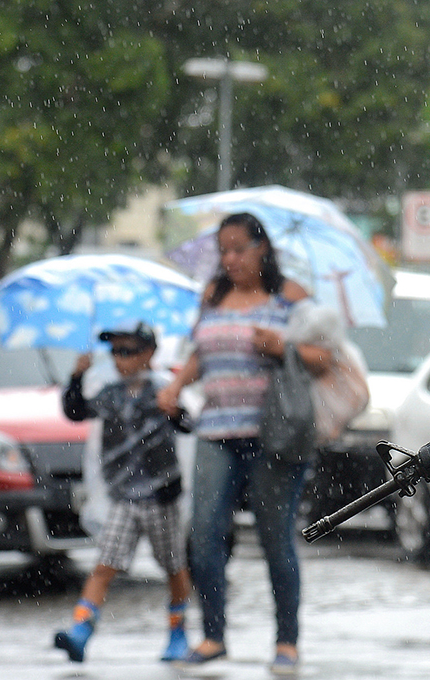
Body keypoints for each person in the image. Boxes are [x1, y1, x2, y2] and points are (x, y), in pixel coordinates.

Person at [156, 212, 331, 674]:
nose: (230, 259)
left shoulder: (289, 297)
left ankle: (286, 642)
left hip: (273, 437)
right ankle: (214, 635)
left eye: (239, 249)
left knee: (277, 540)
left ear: (262, 249)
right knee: (204, 537)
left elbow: (326, 356)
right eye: (224, 250)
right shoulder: (213, 295)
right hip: (216, 432)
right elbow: (200, 353)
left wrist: (282, 347)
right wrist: (176, 388)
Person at [53, 320, 194, 664]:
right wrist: (76, 377)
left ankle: (178, 630)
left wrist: (173, 409)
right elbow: (75, 412)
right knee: (105, 564)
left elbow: (188, 423)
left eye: (127, 351)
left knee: (173, 566)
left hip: (160, 497)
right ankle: (81, 629)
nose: (120, 359)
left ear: (149, 353)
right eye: (114, 351)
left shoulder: (161, 390)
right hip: (124, 497)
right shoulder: (111, 394)